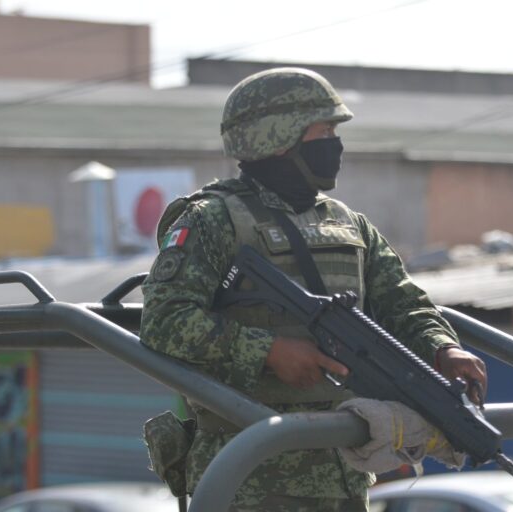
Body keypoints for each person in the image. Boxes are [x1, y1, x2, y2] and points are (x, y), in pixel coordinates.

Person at [140, 67, 487, 512]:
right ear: (277, 137)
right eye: (323, 131)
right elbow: (164, 321)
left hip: (342, 471)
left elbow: (402, 303)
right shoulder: (212, 220)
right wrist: (268, 351)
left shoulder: (348, 224)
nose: (335, 145)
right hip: (247, 476)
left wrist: (442, 349)